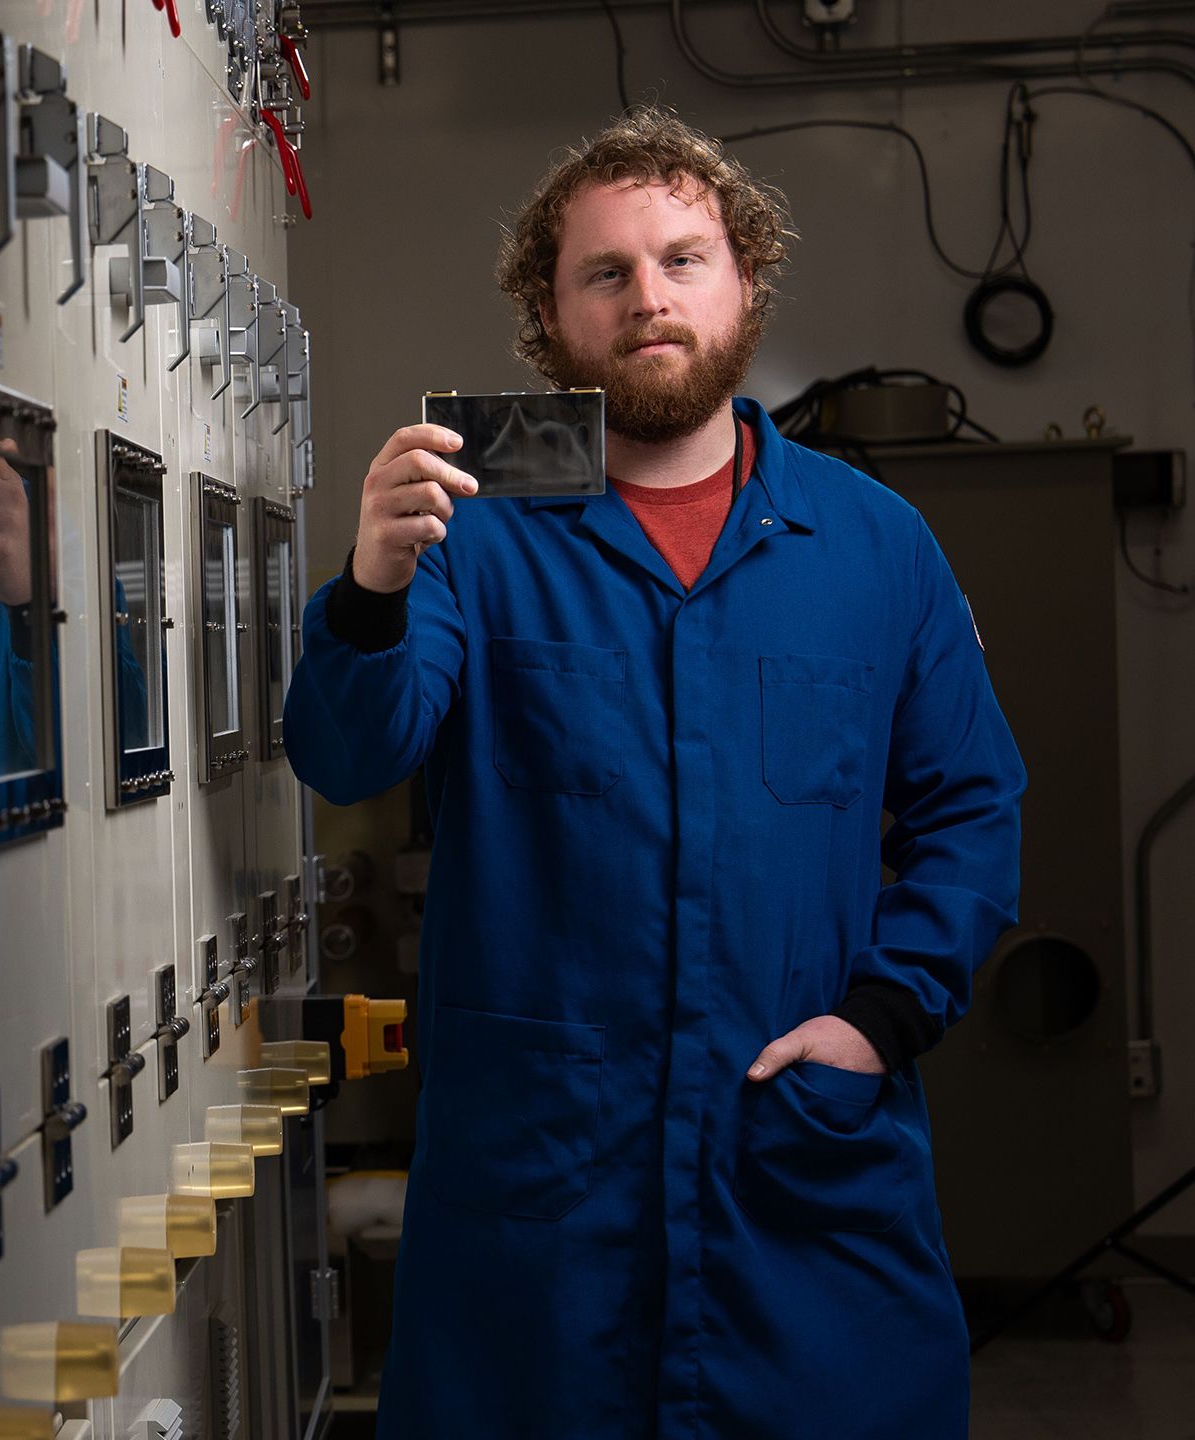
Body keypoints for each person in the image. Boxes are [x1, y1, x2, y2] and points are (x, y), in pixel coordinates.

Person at [284, 108, 1024, 1438]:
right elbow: (351, 749)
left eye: (685, 259)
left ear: (743, 282)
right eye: (606, 273)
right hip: (548, 1200)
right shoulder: (476, 534)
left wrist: (882, 1016)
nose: (651, 298)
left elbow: (973, 809)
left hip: (794, 1175)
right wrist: (375, 585)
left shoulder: (873, 545)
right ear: (548, 313)